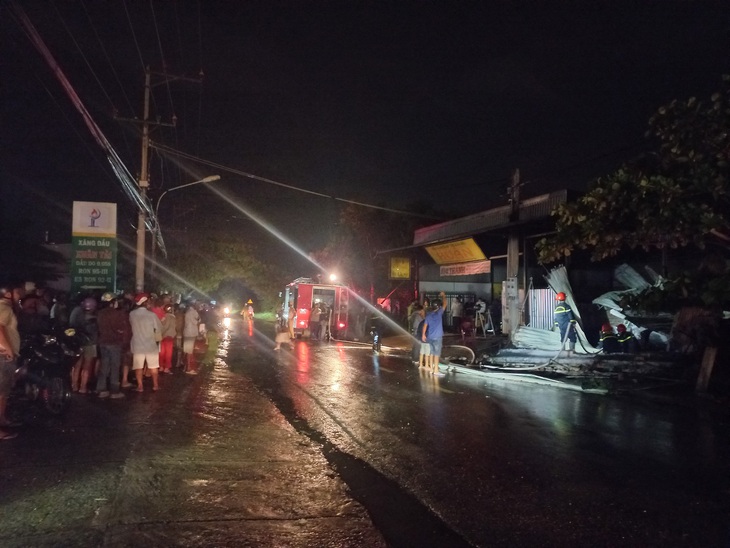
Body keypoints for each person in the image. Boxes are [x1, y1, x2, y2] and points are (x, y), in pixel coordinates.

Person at [95, 292, 129, 399]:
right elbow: (120, 329)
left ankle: (102, 389)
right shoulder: (117, 314)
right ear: (113, 302)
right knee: (115, 367)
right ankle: (114, 391)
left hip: (103, 343)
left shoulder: (100, 313)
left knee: (104, 366)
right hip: (114, 343)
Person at [129, 293, 163, 392]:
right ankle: (155, 385)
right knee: (153, 366)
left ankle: (140, 386)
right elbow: (159, 328)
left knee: (138, 367)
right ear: (145, 302)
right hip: (150, 345)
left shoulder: (132, 314)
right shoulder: (152, 315)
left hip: (137, 344)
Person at [0, 284, 20, 440]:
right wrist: (8, 350)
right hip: (2, 356)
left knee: (4, 392)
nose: (20, 295)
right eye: (17, 292)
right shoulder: (4, 308)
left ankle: (2, 419)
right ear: (7, 294)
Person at [69, 295, 99, 393]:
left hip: (77, 342)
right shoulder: (95, 318)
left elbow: (71, 325)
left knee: (76, 365)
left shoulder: (76, 312)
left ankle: (74, 385)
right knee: (87, 366)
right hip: (90, 344)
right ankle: (83, 387)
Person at [421, 291, 447, 374]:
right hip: (437, 337)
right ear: (438, 306)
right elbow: (445, 304)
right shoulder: (439, 313)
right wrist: (443, 296)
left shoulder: (428, 315)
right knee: (437, 354)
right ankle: (436, 370)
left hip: (430, 337)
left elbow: (425, 325)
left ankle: (431, 369)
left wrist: (423, 335)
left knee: (431, 352)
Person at [553, 292, 577, 356]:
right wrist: (573, 322)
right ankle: (572, 352)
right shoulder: (567, 306)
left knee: (563, 338)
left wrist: (557, 324)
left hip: (561, 326)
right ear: (565, 298)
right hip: (568, 325)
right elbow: (570, 316)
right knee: (572, 337)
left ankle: (563, 351)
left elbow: (555, 317)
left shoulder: (556, 307)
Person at [183, 301, 201, 375]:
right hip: (191, 333)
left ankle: (186, 367)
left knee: (188, 351)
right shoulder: (193, 312)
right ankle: (189, 368)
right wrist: (199, 319)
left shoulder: (188, 312)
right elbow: (196, 321)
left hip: (188, 332)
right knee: (189, 351)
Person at [159, 303, 177, 374]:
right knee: (168, 353)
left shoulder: (163, 317)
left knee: (161, 353)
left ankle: (161, 366)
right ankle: (166, 367)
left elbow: (162, 326)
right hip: (169, 337)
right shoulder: (172, 317)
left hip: (162, 337)